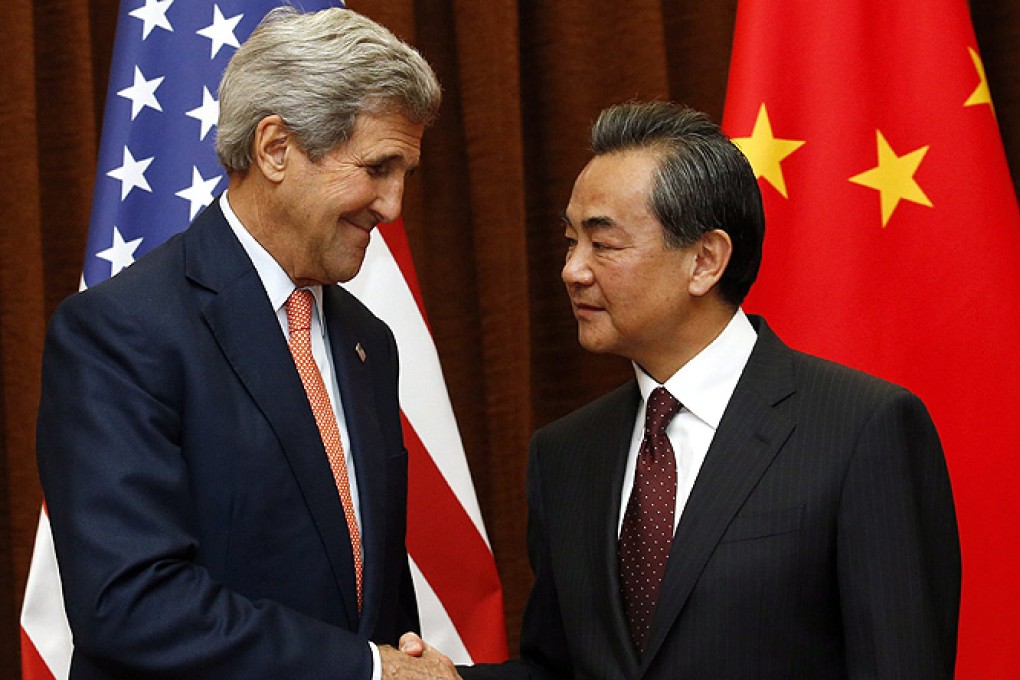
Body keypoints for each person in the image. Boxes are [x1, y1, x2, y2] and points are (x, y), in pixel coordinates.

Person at [453, 102, 961, 679]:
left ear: (705, 260)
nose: (573, 269)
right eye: (570, 241)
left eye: (604, 244)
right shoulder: (564, 454)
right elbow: (560, 669)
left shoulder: (862, 430)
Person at [36, 7, 458, 679]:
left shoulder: (366, 341)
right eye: (377, 167)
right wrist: (366, 671)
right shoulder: (120, 331)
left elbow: (367, 586)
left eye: (404, 172)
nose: (392, 205)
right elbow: (130, 602)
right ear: (275, 149)